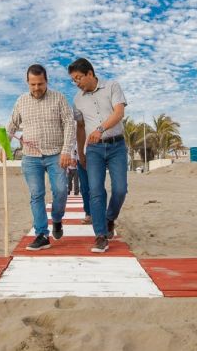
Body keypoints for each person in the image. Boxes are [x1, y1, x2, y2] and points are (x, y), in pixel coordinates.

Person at [7, 64, 76, 251]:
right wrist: (2, 147)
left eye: (40, 84)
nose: (37, 88)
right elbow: (11, 126)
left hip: (56, 155)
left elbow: (70, 124)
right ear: (27, 82)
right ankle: (41, 234)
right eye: (33, 84)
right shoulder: (21, 101)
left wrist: (66, 151)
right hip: (31, 157)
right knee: (36, 195)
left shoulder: (59, 98)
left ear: (47, 81)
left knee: (61, 191)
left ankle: (58, 219)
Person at [68, 57, 127, 254]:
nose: (76, 83)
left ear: (90, 74)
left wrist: (100, 129)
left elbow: (119, 113)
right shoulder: (77, 99)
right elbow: (81, 126)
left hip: (117, 145)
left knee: (120, 189)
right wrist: (80, 152)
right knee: (96, 191)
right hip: (93, 150)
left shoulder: (112, 86)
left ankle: (110, 218)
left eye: (78, 78)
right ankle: (100, 235)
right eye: (73, 80)